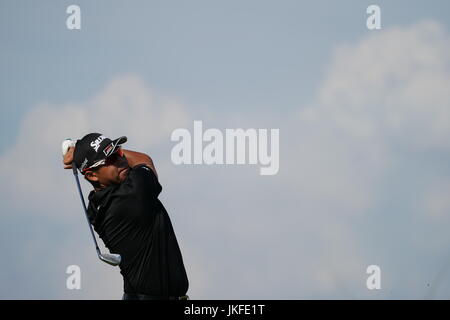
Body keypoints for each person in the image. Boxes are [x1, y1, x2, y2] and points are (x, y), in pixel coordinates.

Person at [62, 133, 189, 300]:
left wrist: (80, 151)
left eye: (118, 153)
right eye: (110, 159)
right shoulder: (133, 194)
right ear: (92, 175)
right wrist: (77, 148)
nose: (120, 160)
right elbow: (144, 160)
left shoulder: (95, 205)